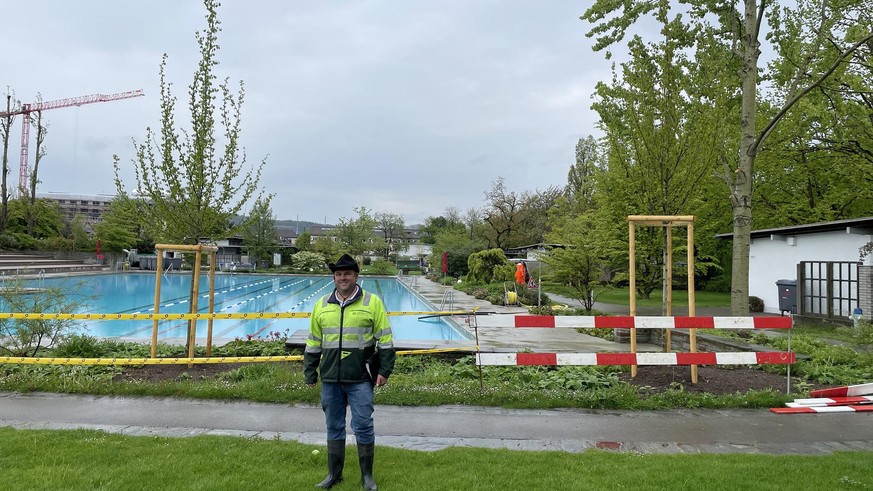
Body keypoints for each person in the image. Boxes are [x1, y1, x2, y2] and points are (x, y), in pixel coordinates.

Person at [304, 253, 395, 491]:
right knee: (333, 426)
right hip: (331, 379)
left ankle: (367, 477)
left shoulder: (372, 302)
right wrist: (310, 371)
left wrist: (385, 370)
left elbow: (385, 340)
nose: (342, 278)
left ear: (356, 276)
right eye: (338, 274)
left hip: (360, 379)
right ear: (334, 277)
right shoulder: (321, 305)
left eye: (347, 273)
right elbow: (314, 342)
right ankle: (334, 475)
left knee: (363, 425)